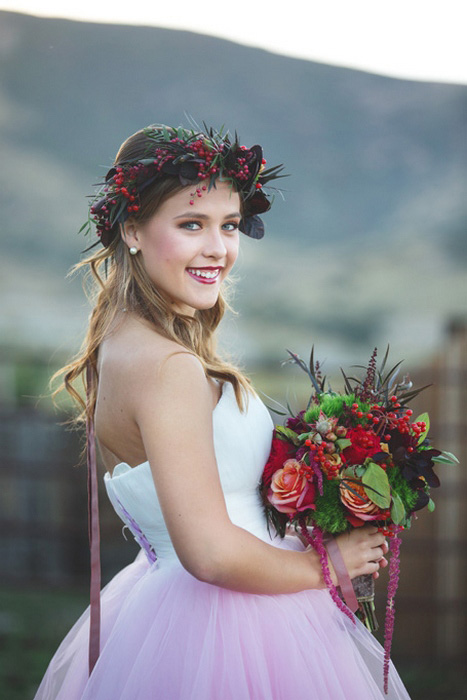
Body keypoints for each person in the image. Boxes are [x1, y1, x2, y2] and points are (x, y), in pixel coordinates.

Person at [35, 123, 410, 699]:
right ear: (131, 229)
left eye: (229, 226)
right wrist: (326, 564)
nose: (218, 249)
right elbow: (209, 552)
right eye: (191, 225)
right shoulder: (167, 368)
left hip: (169, 608)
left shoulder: (123, 349)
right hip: (229, 621)